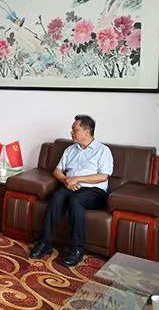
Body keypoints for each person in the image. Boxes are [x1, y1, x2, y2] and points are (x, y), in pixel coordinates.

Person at [29, 114, 113, 266]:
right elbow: (57, 171)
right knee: (57, 196)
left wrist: (77, 179)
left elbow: (103, 176)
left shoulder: (103, 150)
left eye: (75, 129)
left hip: (94, 191)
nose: (71, 132)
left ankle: (77, 250)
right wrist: (65, 180)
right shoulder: (70, 149)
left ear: (87, 132)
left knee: (76, 200)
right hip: (70, 186)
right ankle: (45, 243)